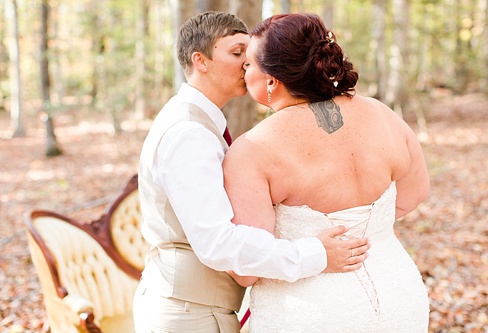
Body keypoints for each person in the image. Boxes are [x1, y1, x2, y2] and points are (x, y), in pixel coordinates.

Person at [133, 11, 370, 333]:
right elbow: (217, 242)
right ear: (200, 61)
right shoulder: (189, 133)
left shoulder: (198, 122)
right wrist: (314, 253)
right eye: (235, 53)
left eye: (249, 54)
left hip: (200, 306)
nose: (248, 64)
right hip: (188, 314)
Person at [223, 13, 430, 332]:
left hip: (310, 312)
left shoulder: (253, 149)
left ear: (271, 82)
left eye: (249, 64)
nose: (243, 70)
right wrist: (367, 231)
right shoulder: (381, 114)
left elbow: (247, 269)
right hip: (399, 298)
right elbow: (415, 193)